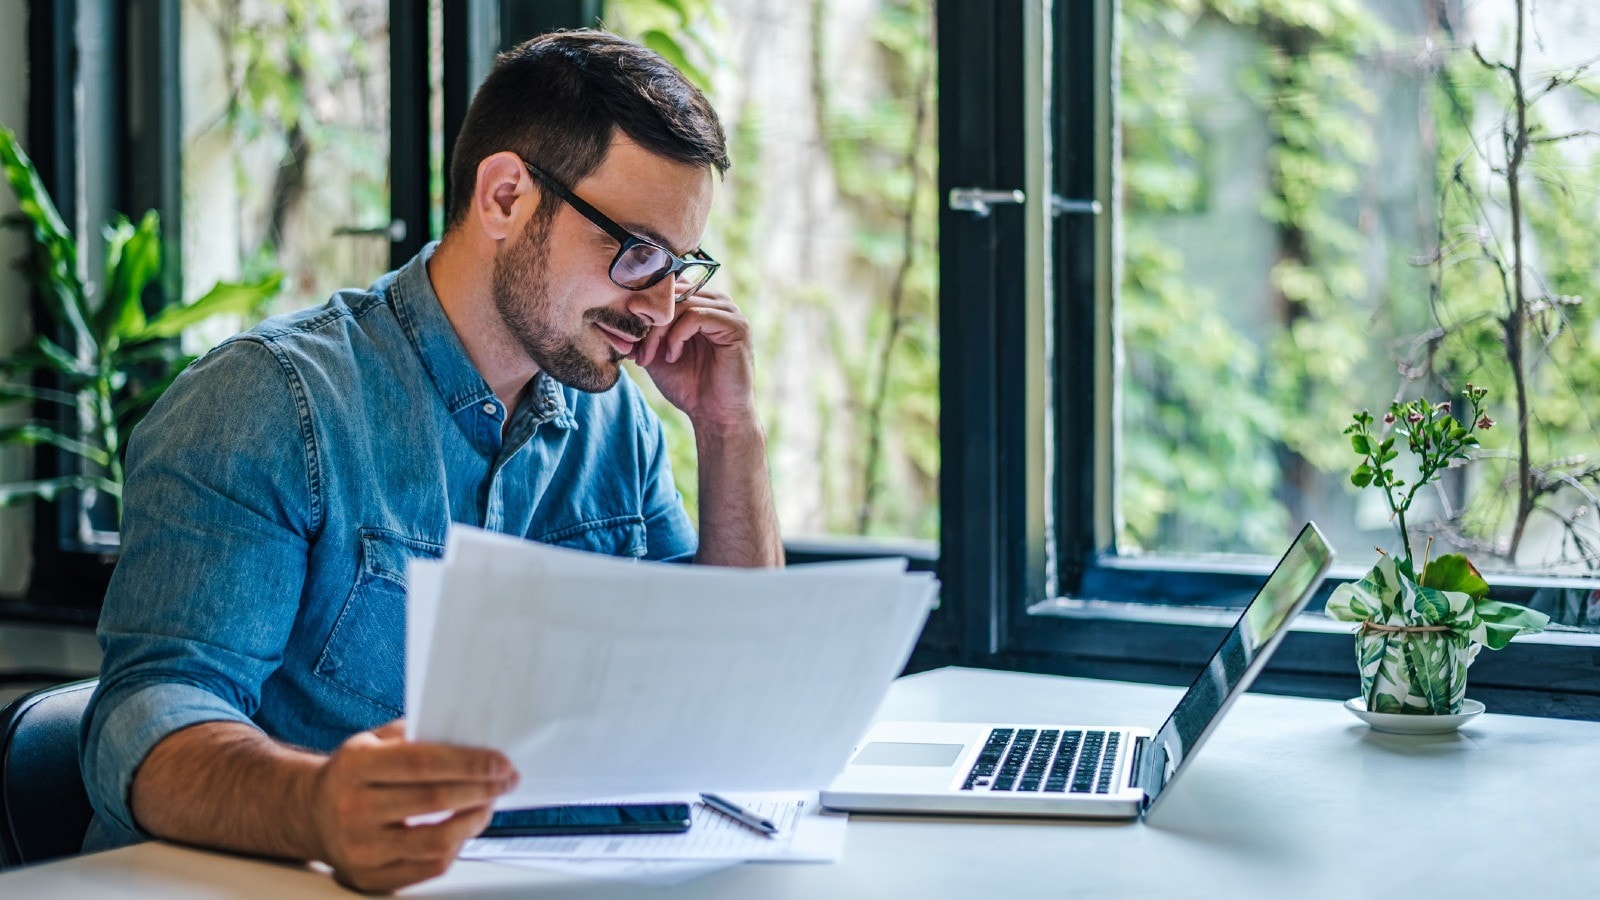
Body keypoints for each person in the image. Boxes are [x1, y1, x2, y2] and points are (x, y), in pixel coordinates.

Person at [79, 30, 781, 893]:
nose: (662, 304)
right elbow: (145, 717)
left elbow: (731, 698)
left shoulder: (617, 422)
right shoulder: (269, 403)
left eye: (681, 265)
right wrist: (317, 808)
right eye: (636, 253)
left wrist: (728, 429)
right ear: (505, 197)